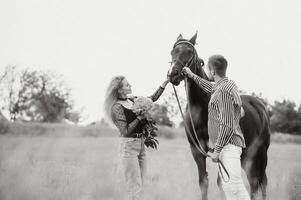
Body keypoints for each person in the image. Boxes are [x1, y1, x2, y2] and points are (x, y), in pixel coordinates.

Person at [182, 55, 250, 200]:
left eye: (207, 69)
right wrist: (192, 75)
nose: (207, 72)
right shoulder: (226, 85)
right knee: (232, 188)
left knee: (234, 188)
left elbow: (227, 124)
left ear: (212, 71)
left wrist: (217, 150)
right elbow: (210, 86)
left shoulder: (223, 91)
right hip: (228, 146)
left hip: (228, 146)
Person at [103, 75, 169, 200]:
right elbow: (125, 130)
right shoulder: (117, 107)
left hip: (141, 145)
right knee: (134, 186)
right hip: (128, 146)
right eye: (127, 85)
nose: (130, 86)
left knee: (141, 184)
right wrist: (139, 118)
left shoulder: (133, 100)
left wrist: (165, 83)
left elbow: (152, 98)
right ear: (119, 90)